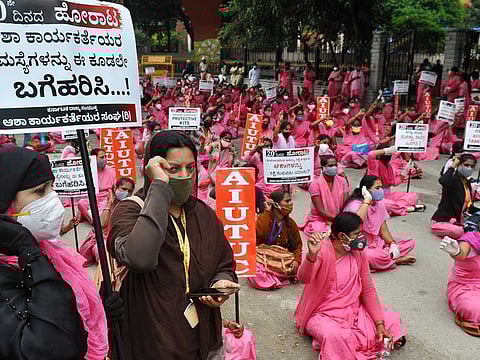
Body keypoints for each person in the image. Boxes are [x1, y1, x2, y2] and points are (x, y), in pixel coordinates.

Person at [108, 131, 239, 360]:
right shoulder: (129, 211)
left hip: (205, 336)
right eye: (173, 169)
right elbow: (140, 258)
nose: (185, 175)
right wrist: (160, 187)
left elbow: (224, 261)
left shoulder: (203, 213)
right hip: (156, 341)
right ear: (152, 169)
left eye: (190, 168)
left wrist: (221, 281)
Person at [0, 145, 123, 360]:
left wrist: (100, 311)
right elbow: (51, 346)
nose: (54, 200)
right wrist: (29, 253)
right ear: (6, 204)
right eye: (40, 191)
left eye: (51, 187)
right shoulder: (17, 262)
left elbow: (63, 311)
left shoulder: (51, 251)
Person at [295, 212, 407, 359]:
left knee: (390, 320)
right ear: (342, 236)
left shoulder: (358, 254)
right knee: (335, 335)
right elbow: (303, 278)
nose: (362, 238)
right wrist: (311, 256)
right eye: (357, 234)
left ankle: (350, 344)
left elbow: (367, 290)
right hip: (321, 314)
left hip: (353, 311)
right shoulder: (321, 250)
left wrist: (379, 324)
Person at [344, 175, 417, 270]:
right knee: (371, 256)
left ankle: (386, 257)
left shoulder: (379, 203)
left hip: (377, 242)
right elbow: (356, 223)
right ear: (365, 190)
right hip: (360, 243)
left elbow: (383, 229)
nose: (381, 190)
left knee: (410, 242)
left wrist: (392, 244)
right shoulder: (355, 205)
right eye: (377, 188)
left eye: (381, 187)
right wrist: (366, 202)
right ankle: (394, 260)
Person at [248, 190, 302, 290]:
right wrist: (267, 211)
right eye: (287, 201)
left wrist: (297, 261)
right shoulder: (264, 218)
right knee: (254, 270)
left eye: (290, 201)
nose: (291, 204)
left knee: (305, 267)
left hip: (281, 259)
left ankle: (273, 278)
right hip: (262, 258)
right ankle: (279, 278)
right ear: (276, 204)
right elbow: (259, 233)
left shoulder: (291, 224)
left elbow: (297, 246)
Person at [80, 177, 135, 267]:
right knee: (102, 251)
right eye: (124, 189)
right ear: (115, 188)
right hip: (104, 238)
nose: (126, 193)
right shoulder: (106, 202)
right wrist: (109, 203)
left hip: (121, 238)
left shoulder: (129, 204)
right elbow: (102, 224)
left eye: (129, 191)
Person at [440, 233, 480, 336]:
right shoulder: (470, 239)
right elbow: (461, 254)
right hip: (464, 287)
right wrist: (456, 252)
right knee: (474, 308)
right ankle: (467, 320)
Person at [367, 145, 425, 216]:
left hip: (388, 195)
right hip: (375, 198)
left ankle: (394, 208)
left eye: (390, 154)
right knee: (383, 204)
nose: (388, 155)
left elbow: (394, 182)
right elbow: (370, 155)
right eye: (386, 154)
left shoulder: (388, 166)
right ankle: (406, 208)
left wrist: (405, 171)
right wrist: (387, 150)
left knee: (413, 196)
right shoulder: (374, 164)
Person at [431, 154, 479, 239]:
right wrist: (453, 166)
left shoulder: (466, 182)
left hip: (459, 220)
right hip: (443, 221)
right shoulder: (453, 178)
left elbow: (467, 206)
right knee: (458, 231)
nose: (469, 168)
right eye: (466, 165)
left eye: (472, 166)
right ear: (459, 165)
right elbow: (443, 180)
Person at [302, 156, 349, 236]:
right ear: (323, 167)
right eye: (330, 166)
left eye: (335, 165)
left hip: (340, 217)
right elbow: (321, 211)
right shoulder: (315, 185)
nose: (334, 168)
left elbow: (346, 203)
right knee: (320, 230)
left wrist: (345, 219)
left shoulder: (342, 181)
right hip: (321, 219)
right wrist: (339, 220)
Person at [77, 148, 116, 224]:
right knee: (81, 203)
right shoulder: (88, 171)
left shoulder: (111, 170)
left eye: (105, 157)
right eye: (102, 157)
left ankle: (96, 220)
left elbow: (115, 187)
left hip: (105, 198)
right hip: (92, 199)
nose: (105, 159)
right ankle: (95, 221)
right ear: (94, 158)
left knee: (105, 210)